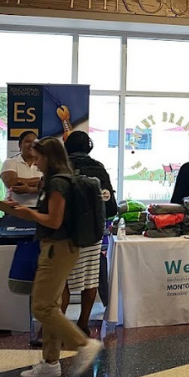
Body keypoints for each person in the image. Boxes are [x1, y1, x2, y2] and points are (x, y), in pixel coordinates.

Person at [7, 136, 102, 377]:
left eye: (38, 157)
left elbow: (54, 221)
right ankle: (50, 362)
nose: (36, 162)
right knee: (52, 305)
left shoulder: (58, 183)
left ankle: (83, 344)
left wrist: (28, 213)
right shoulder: (60, 180)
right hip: (59, 248)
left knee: (41, 306)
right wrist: (24, 211)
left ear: (49, 157)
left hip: (57, 249)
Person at [61, 131, 118, 335]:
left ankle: (59, 326)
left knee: (62, 281)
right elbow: (110, 206)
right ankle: (83, 324)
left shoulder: (61, 167)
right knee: (90, 279)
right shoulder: (98, 168)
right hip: (93, 233)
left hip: (65, 233)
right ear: (89, 146)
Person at [0, 131, 42, 206]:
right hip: (14, 209)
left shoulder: (43, 163)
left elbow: (48, 186)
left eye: (35, 142)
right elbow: (12, 183)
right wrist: (38, 180)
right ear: (20, 145)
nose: (31, 144)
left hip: (39, 208)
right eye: (28, 141)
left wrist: (29, 189)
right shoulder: (10, 162)